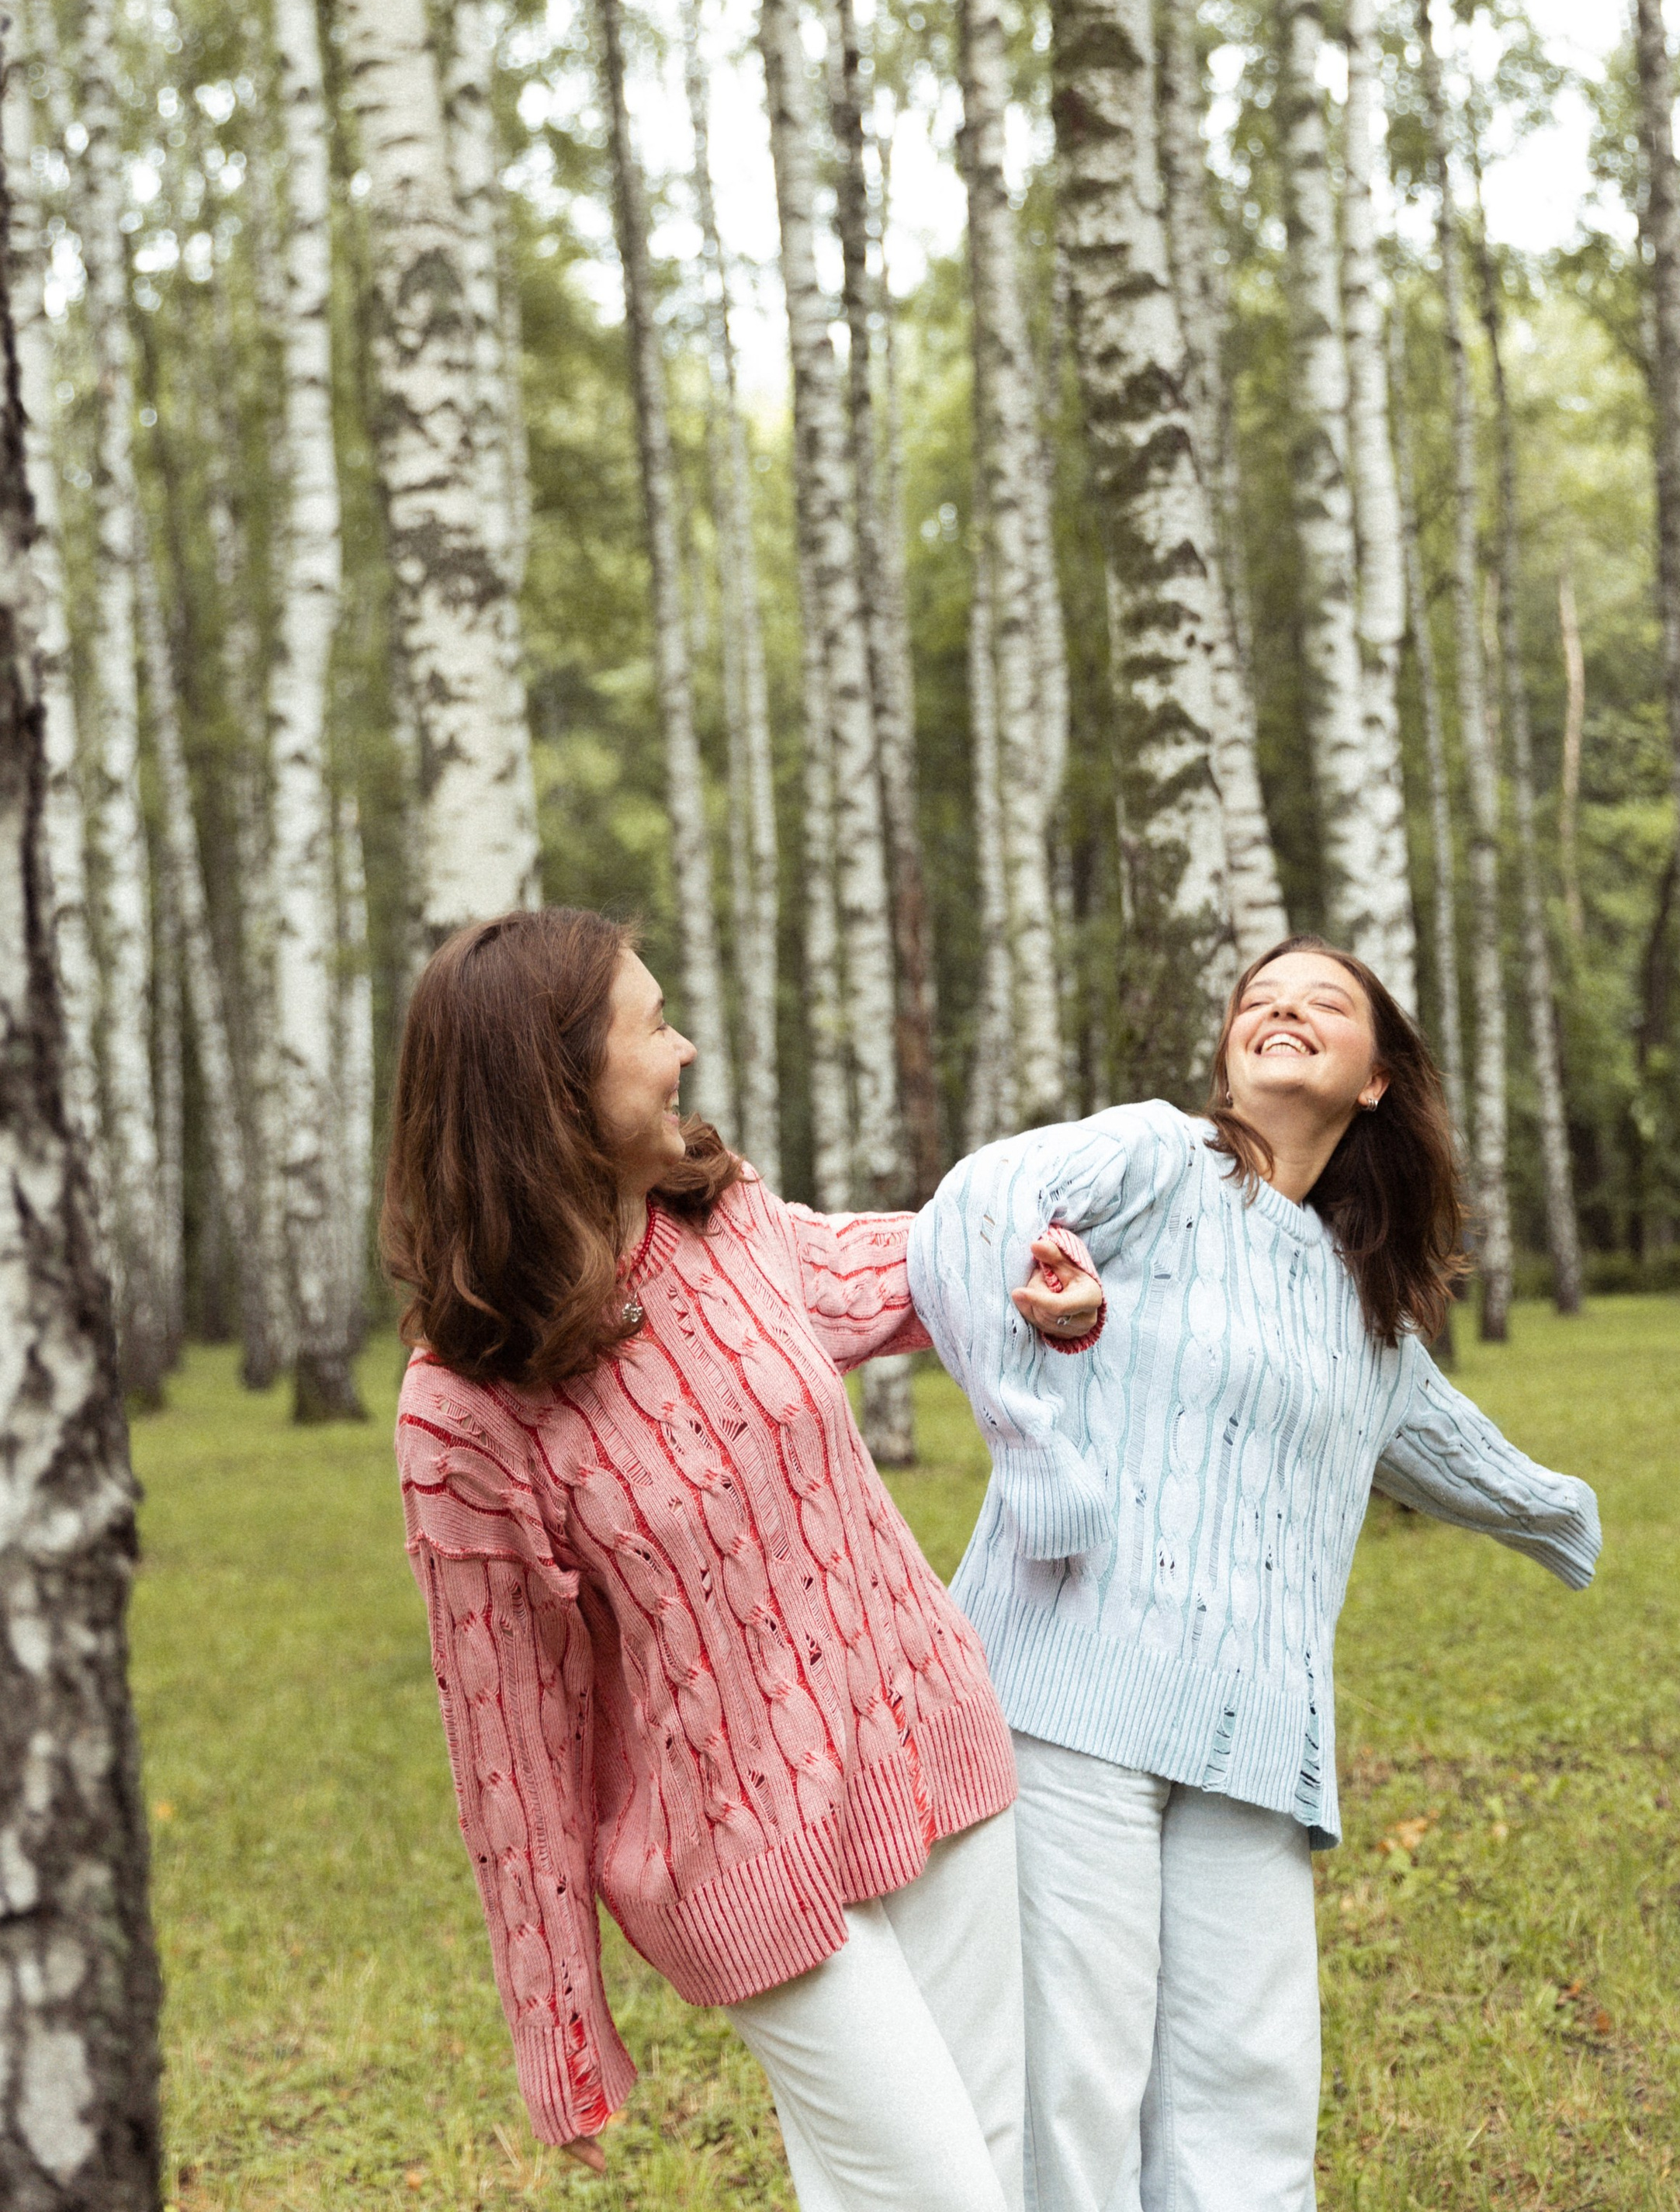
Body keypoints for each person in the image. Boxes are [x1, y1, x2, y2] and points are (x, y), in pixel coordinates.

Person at [381, 907, 1103, 2212]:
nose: (687, 1050)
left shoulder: (725, 1222)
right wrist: (561, 2027)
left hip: (925, 1733)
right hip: (734, 1852)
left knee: (984, 2159)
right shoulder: (460, 1412)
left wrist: (1028, 1269)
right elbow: (509, 1738)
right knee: (939, 2195)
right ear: (557, 1089)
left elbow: (886, 1269)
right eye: (653, 1028)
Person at [910, 933, 1602, 2212]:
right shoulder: (1162, 1157)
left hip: (1257, 1734)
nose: (1281, 1011)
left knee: (1252, 2093)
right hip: (1071, 1695)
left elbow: (1433, 1434)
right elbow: (968, 1214)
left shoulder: (1362, 1298)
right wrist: (1038, 1450)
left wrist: (1562, 1517)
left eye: (1322, 1002)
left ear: (1378, 1078)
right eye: (1257, 1000)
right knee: (1075, 2088)